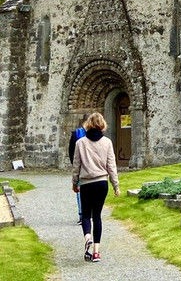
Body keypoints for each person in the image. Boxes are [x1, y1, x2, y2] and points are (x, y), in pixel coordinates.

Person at [71, 112, 120, 263]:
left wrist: (74, 183)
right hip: (101, 183)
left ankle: (87, 237)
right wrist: (115, 186)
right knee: (97, 216)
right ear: (102, 124)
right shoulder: (107, 142)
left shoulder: (80, 143)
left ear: (88, 124)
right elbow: (111, 166)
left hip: (86, 183)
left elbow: (76, 165)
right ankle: (96, 252)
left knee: (86, 214)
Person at [67, 117, 88, 224]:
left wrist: (74, 165)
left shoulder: (76, 134)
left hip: (80, 167)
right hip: (92, 168)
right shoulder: (96, 134)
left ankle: (82, 215)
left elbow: (71, 152)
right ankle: (90, 214)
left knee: (80, 191)